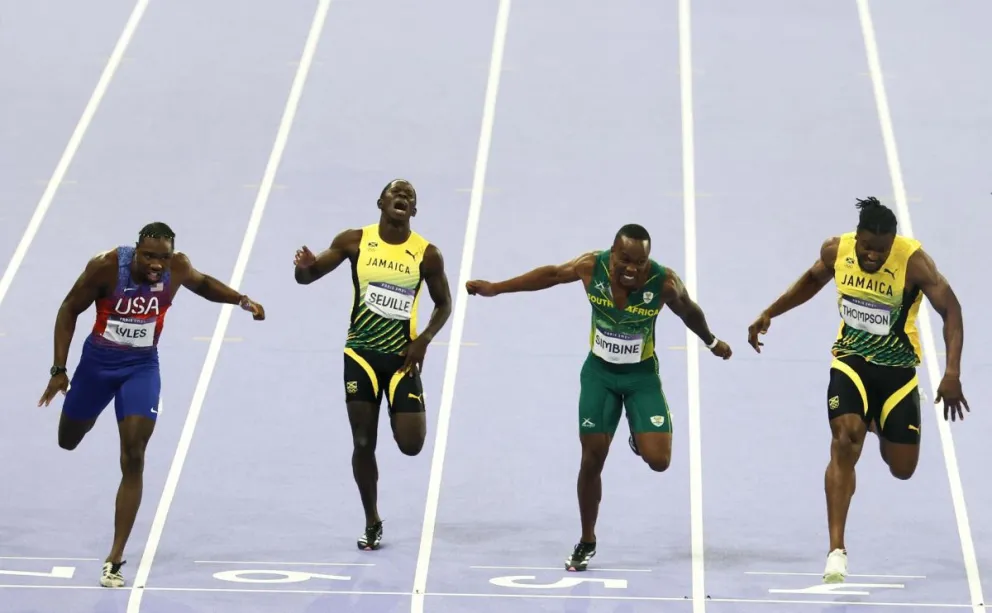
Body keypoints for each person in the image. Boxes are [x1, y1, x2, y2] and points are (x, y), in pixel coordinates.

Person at [466, 223, 732, 571]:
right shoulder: (591, 266)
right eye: (625, 260)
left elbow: (688, 311)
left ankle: (638, 437)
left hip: (641, 377)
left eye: (640, 262)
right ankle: (587, 539)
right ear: (612, 253)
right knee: (592, 458)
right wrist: (496, 289)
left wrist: (711, 342)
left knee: (659, 461)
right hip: (600, 376)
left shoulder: (663, 283)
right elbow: (550, 275)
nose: (632, 269)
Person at [746, 197, 968, 584]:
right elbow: (812, 281)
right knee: (844, 440)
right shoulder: (837, 249)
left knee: (902, 469)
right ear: (858, 237)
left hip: (897, 374)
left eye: (881, 250)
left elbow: (951, 310)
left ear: (893, 243)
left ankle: (880, 422)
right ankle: (836, 550)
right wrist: (771, 312)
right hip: (850, 361)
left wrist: (951, 373)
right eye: (866, 246)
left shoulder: (914, 263)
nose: (872, 255)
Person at [37, 222, 265, 588]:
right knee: (68, 439)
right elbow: (68, 309)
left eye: (164, 257)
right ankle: (90, 410)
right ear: (136, 251)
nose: (157, 264)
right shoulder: (107, 266)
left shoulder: (178, 267)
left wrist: (241, 300)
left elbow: (204, 285)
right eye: (149, 256)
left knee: (134, 455)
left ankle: (114, 558)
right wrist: (59, 369)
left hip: (141, 368)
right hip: (97, 367)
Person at [293, 179, 453, 551]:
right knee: (363, 441)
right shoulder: (354, 241)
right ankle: (372, 520)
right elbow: (308, 277)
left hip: (401, 360)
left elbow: (443, 304)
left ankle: (403, 421)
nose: (402, 198)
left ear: (414, 211)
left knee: (411, 444)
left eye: (410, 197)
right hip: (360, 356)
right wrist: (303, 268)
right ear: (381, 202)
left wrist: (423, 340)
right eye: (396, 193)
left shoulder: (427, 254)